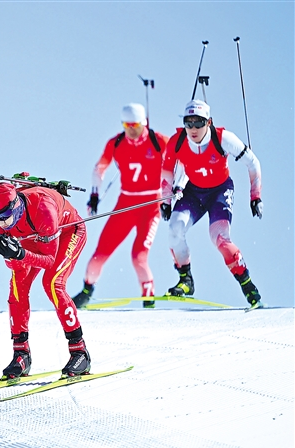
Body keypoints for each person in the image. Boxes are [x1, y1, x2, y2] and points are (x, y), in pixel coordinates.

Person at [160, 99, 263, 307]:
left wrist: (255, 196)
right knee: (175, 229)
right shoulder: (177, 141)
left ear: (209, 122)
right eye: (188, 122)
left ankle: (247, 285)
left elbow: (253, 162)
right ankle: (186, 281)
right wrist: (166, 199)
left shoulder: (223, 138)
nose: (193, 128)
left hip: (219, 192)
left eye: (198, 122)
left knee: (220, 239)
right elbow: (167, 171)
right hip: (193, 193)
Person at [0, 182, 91, 379]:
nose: (2, 223)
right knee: (17, 286)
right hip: (32, 237)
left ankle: (80, 352)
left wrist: (19, 253)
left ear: (16, 206)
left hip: (67, 232)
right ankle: (21, 354)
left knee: (52, 283)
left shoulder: (44, 209)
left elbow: (49, 261)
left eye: (5, 216)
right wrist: (10, 255)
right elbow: (15, 267)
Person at [72, 104, 169, 308]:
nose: (131, 130)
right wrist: (94, 195)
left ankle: (148, 298)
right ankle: (87, 290)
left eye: (135, 125)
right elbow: (99, 169)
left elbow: (179, 162)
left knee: (138, 257)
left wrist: (175, 190)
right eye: (126, 125)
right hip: (126, 205)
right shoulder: (116, 143)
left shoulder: (159, 141)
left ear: (144, 123)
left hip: (151, 206)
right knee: (100, 253)